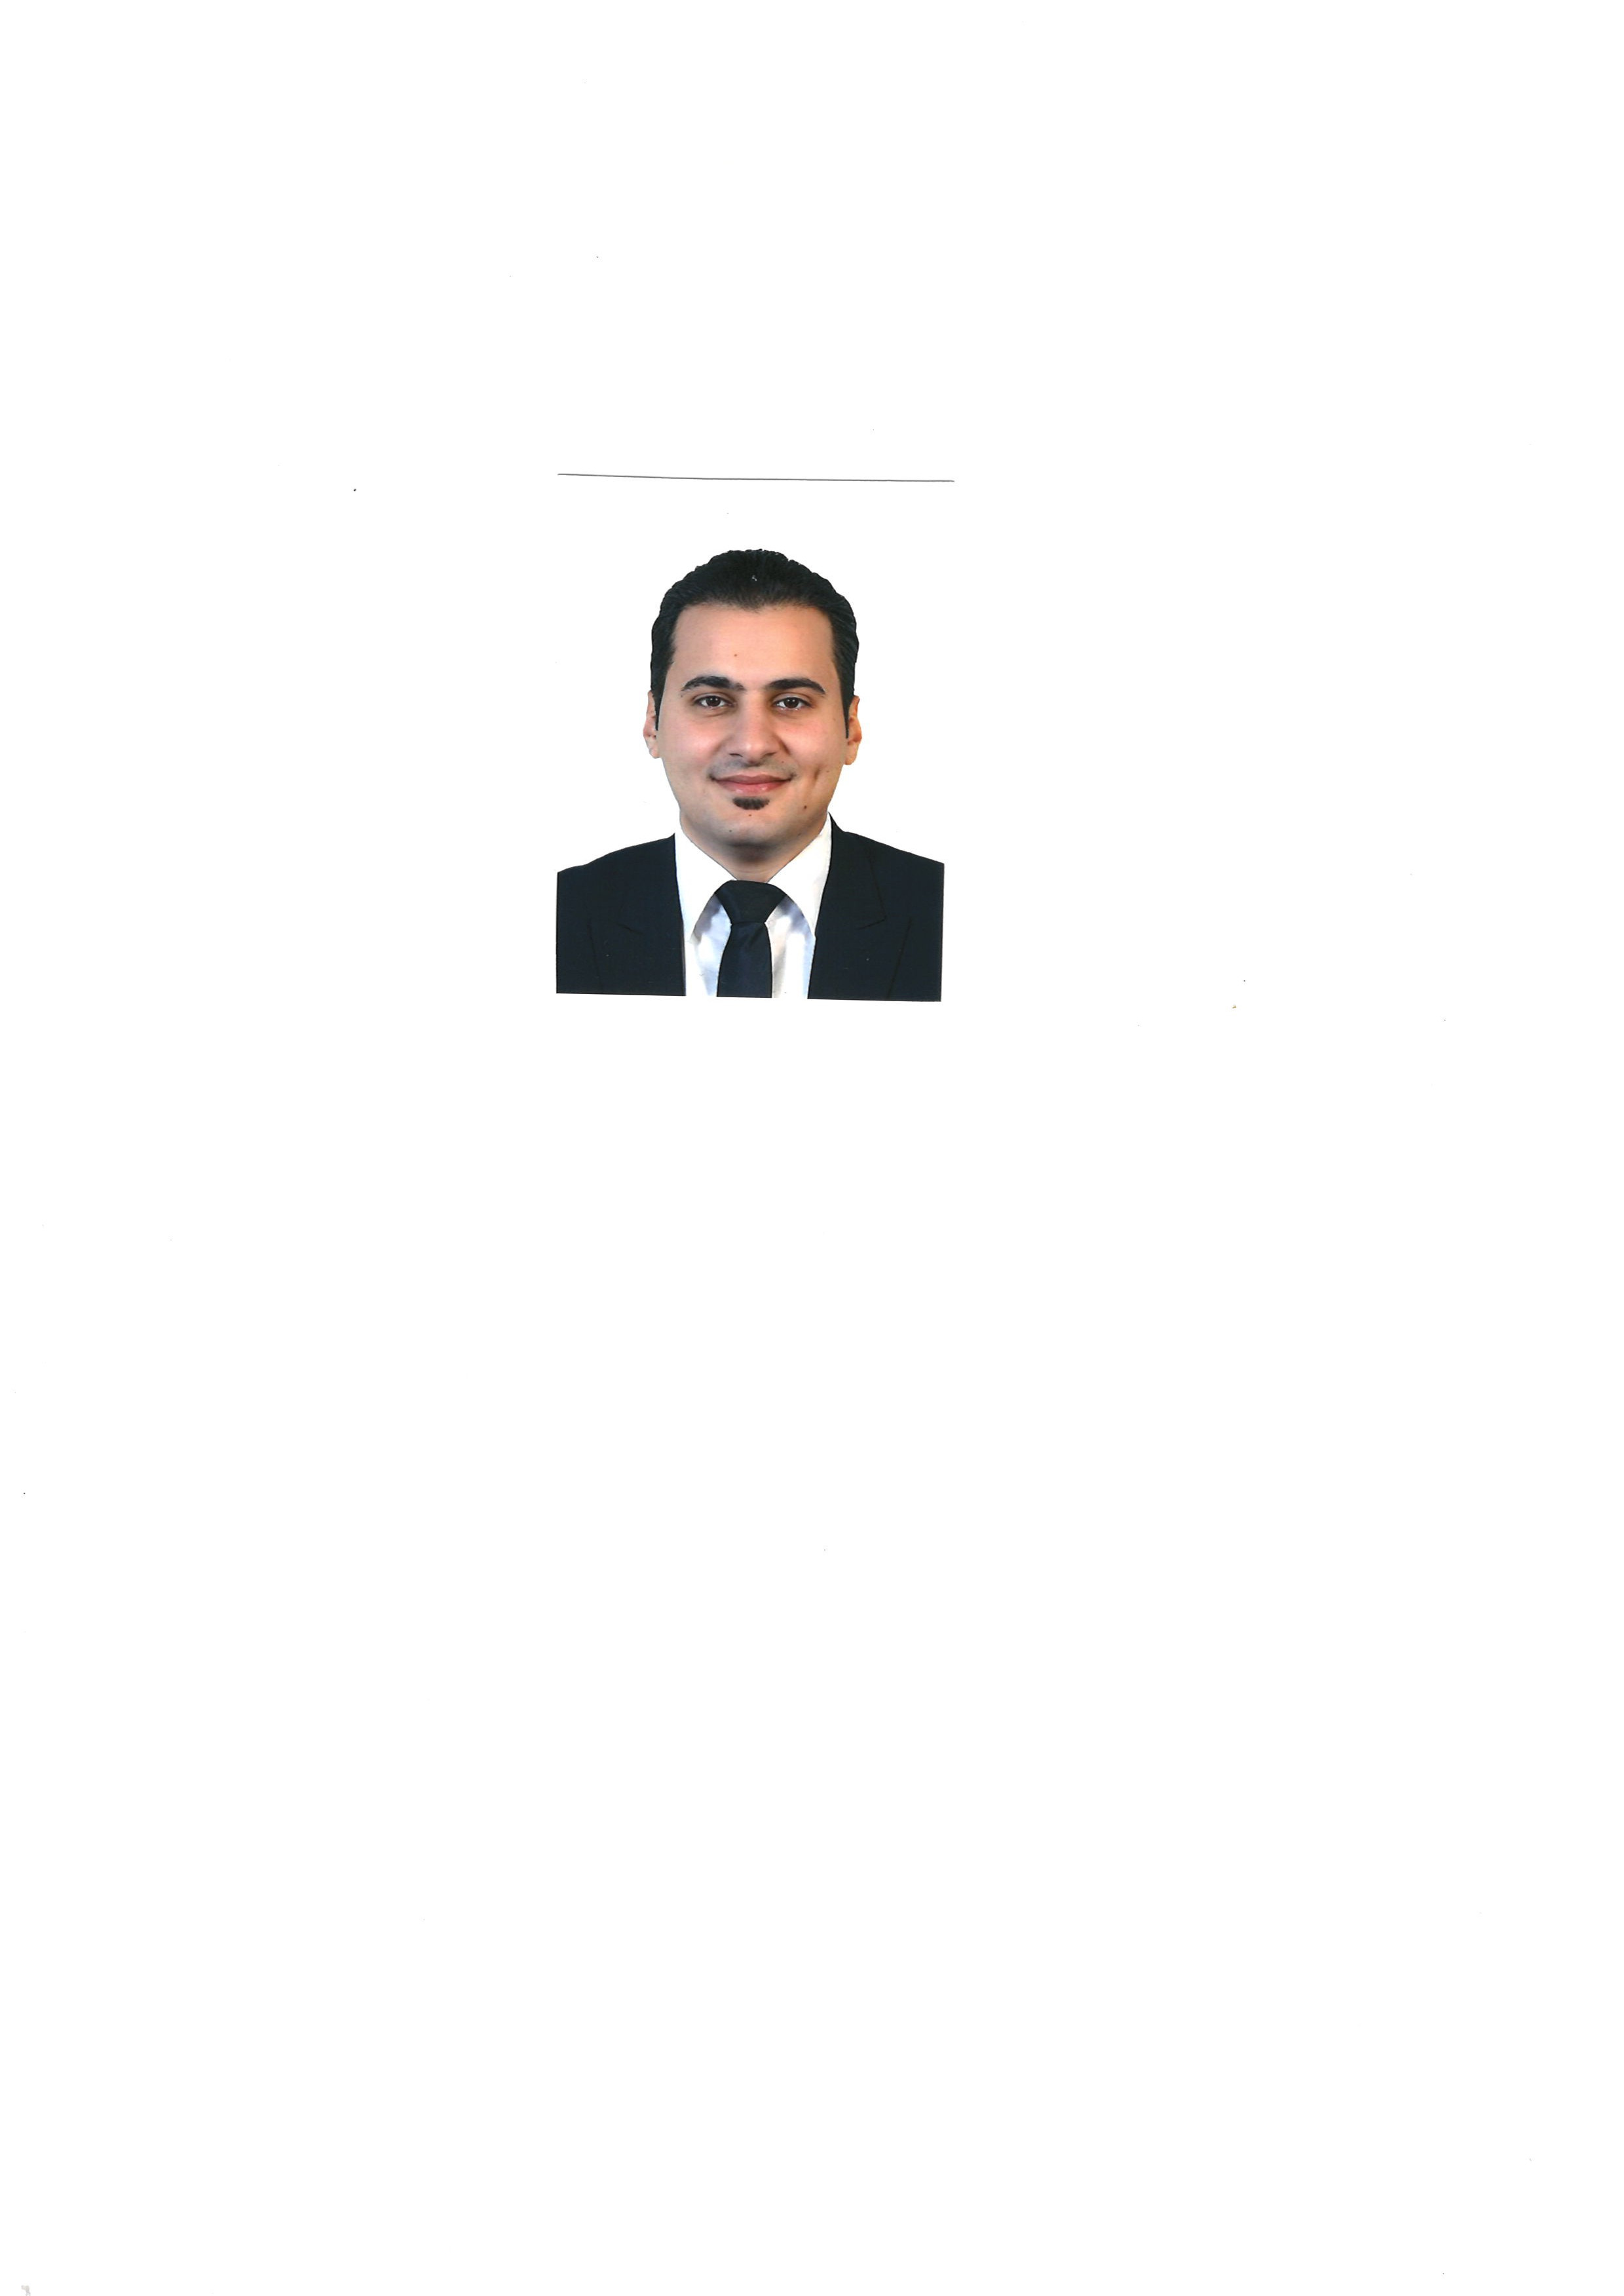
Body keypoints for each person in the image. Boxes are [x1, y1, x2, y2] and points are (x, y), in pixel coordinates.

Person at [556, 549, 944, 999]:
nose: (753, 744)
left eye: (792, 702)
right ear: (653, 722)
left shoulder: (950, 912)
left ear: (850, 729)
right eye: (712, 701)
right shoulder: (556, 913)